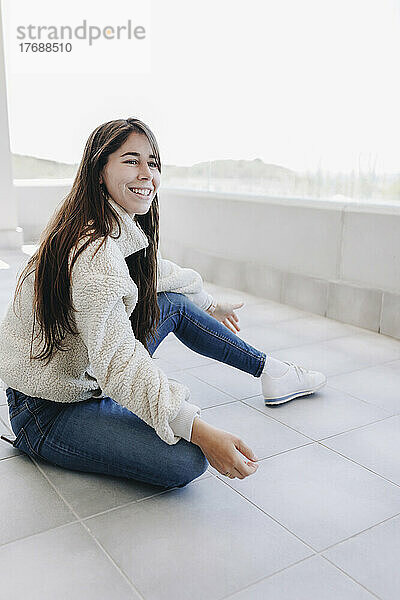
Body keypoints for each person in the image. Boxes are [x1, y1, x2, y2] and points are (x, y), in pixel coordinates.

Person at [0, 117, 327, 489]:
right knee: (186, 460)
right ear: (98, 168)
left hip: (77, 376)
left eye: (153, 163)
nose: (147, 174)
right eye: (131, 160)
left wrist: (209, 304)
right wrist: (199, 429)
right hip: (47, 410)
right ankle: (102, 417)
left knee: (171, 303)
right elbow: (119, 363)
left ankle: (272, 371)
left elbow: (158, 272)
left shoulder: (106, 222)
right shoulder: (95, 253)